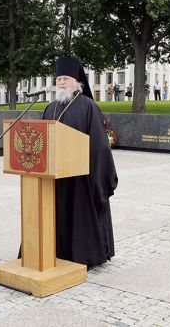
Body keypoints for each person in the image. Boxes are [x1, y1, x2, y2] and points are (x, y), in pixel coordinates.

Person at [41, 56, 118, 266]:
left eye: (66, 78)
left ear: (77, 82)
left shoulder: (88, 107)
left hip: (80, 178)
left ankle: (84, 254)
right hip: (55, 176)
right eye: (59, 79)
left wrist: (98, 176)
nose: (62, 82)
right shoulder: (50, 108)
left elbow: (100, 145)